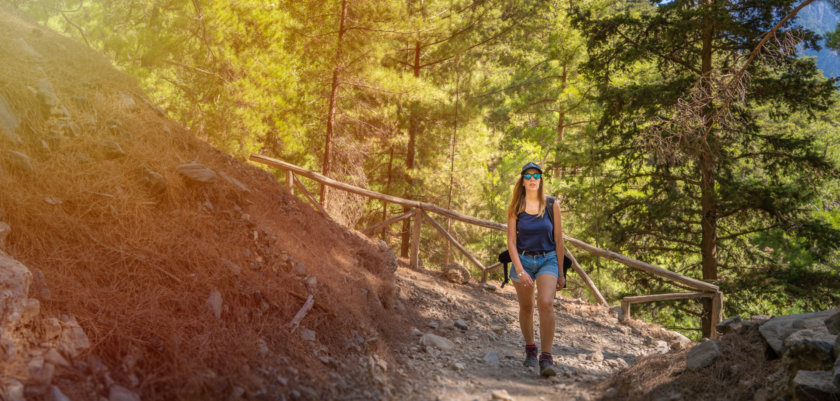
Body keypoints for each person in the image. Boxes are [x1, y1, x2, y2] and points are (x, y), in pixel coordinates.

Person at [506, 161, 565, 377]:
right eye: (528, 176)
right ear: (522, 181)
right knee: (527, 307)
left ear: (541, 180)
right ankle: (530, 349)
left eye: (536, 176)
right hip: (522, 261)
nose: (532, 180)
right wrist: (520, 271)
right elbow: (511, 242)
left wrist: (561, 272)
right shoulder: (515, 208)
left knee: (546, 303)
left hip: (547, 259)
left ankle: (546, 358)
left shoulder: (551, 205)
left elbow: (559, 241)